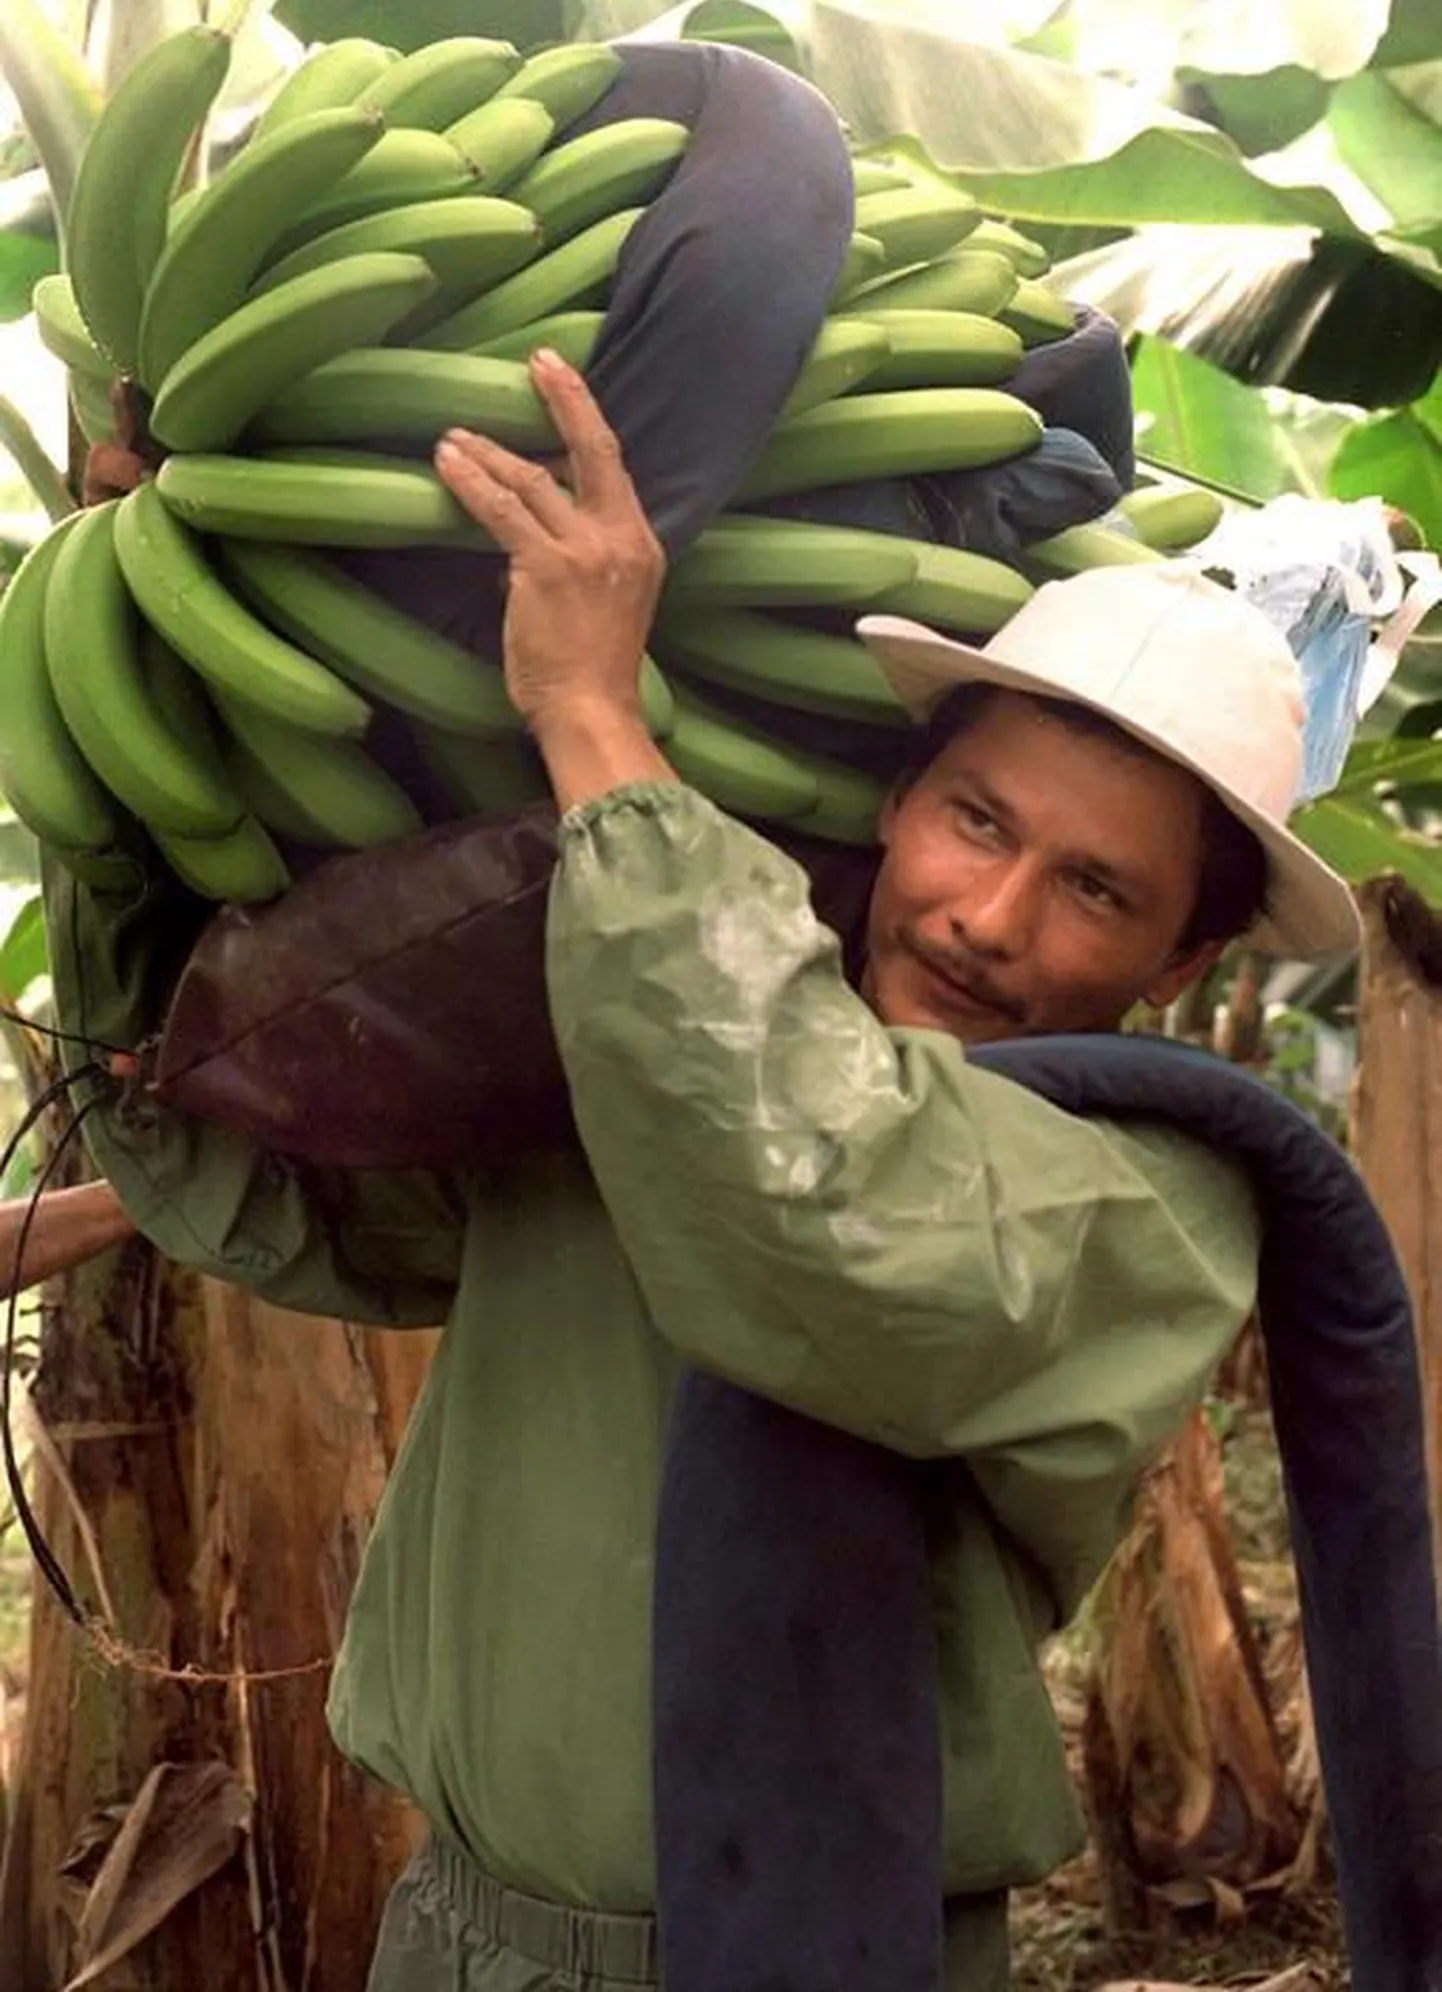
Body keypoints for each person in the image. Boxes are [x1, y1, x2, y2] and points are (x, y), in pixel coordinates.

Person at [19, 348, 1370, 1991]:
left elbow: (823, 1210)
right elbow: (305, 1213)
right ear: (900, 801)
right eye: (976, 821)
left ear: (1179, 961)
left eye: (1093, 891)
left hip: (808, 1952)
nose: (985, 917)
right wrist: (139, 790)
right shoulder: (654, 1029)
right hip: (453, 1933)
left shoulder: (1151, 1192)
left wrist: (590, 716)